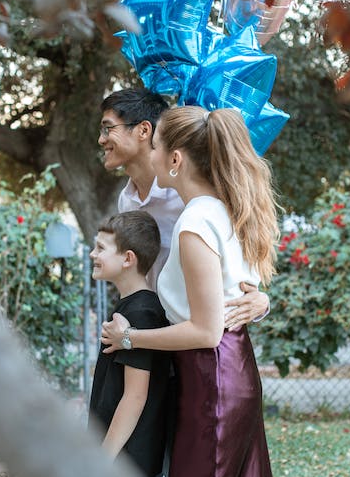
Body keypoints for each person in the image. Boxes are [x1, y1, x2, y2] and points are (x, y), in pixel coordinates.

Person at [101, 106, 290, 477]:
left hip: (212, 377)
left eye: (158, 145)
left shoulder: (195, 223)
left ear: (176, 159)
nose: (152, 152)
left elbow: (206, 331)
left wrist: (129, 338)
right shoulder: (222, 210)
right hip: (227, 371)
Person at [99, 88, 269, 330]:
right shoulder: (126, 202)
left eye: (108, 128)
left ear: (144, 130)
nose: (101, 139)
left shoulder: (191, 199)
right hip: (154, 330)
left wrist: (261, 300)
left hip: (193, 333)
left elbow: (238, 258)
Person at [87, 211, 172, 477]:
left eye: (100, 248)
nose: (92, 254)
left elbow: (135, 397)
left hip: (128, 467)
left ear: (128, 259)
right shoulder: (131, 307)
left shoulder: (142, 313)